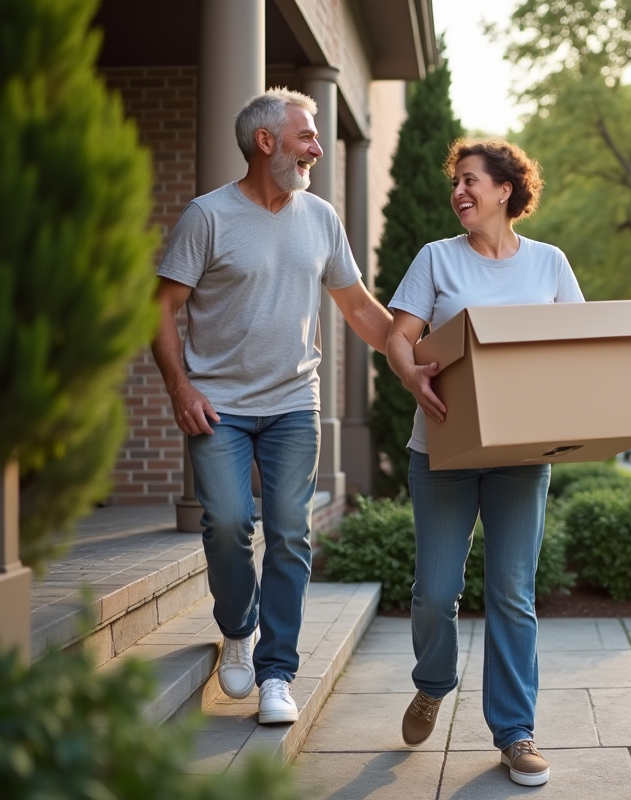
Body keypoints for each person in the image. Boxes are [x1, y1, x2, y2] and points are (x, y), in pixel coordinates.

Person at [151, 88, 393, 725]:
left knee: (289, 534)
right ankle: (238, 628)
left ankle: (277, 672)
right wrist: (181, 388)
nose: (317, 147)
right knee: (229, 524)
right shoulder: (208, 216)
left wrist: (418, 354)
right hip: (219, 407)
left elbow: (361, 309)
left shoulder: (321, 218)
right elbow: (160, 309)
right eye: (307, 136)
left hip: (292, 404)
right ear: (266, 143)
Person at [385, 139, 583, 786]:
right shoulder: (437, 258)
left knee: (512, 594)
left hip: (521, 454)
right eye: (456, 183)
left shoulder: (549, 264)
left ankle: (515, 733)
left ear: (506, 190)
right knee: (435, 593)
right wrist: (412, 377)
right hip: (440, 446)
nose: (460, 193)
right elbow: (398, 335)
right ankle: (433, 682)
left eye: (472, 181)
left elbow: (578, 344)